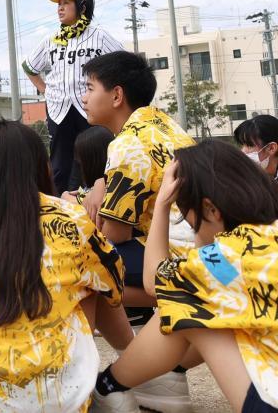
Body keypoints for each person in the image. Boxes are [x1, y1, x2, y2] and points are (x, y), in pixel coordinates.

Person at [0, 119, 127, 412]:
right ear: (43, 167)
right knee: (92, 282)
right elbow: (114, 281)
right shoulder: (69, 218)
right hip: (50, 399)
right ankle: (130, 369)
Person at [91, 140, 278, 413]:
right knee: (205, 294)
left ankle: (108, 387)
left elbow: (153, 281)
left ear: (211, 209)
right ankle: (164, 378)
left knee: (186, 302)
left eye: (185, 212)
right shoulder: (264, 237)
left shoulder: (230, 254)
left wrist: (163, 204)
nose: (189, 225)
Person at [81, 51, 195, 311]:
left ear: (117, 96)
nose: (84, 98)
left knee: (80, 264)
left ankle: (184, 298)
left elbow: (116, 234)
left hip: (178, 253)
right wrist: (99, 186)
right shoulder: (164, 124)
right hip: (206, 243)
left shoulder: (127, 144)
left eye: (90, 88)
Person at [23, 0, 124, 195]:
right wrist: (45, 90)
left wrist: (108, 92)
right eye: (58, 4)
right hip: (58, 107)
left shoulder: (98, 36)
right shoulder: (51, 40)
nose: (59, 8)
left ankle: (96, 198)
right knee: (60, 162)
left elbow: (123, 60)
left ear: (82, 7)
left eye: (65, 3)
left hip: (89, 106)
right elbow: (29, 66)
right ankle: (59, 202)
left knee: (93, 158)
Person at [61, 125, 113, 205]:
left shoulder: (104, 192)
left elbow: (88, 205)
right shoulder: (113, 182)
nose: (79, 166)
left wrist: (66, 197)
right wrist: (82, 193)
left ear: (92, 163)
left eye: (81, 161)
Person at [234, 114, 278, 183]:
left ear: (271, 148)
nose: (242, 151)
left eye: (249, 146)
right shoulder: (240, 180)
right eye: (242, 145)